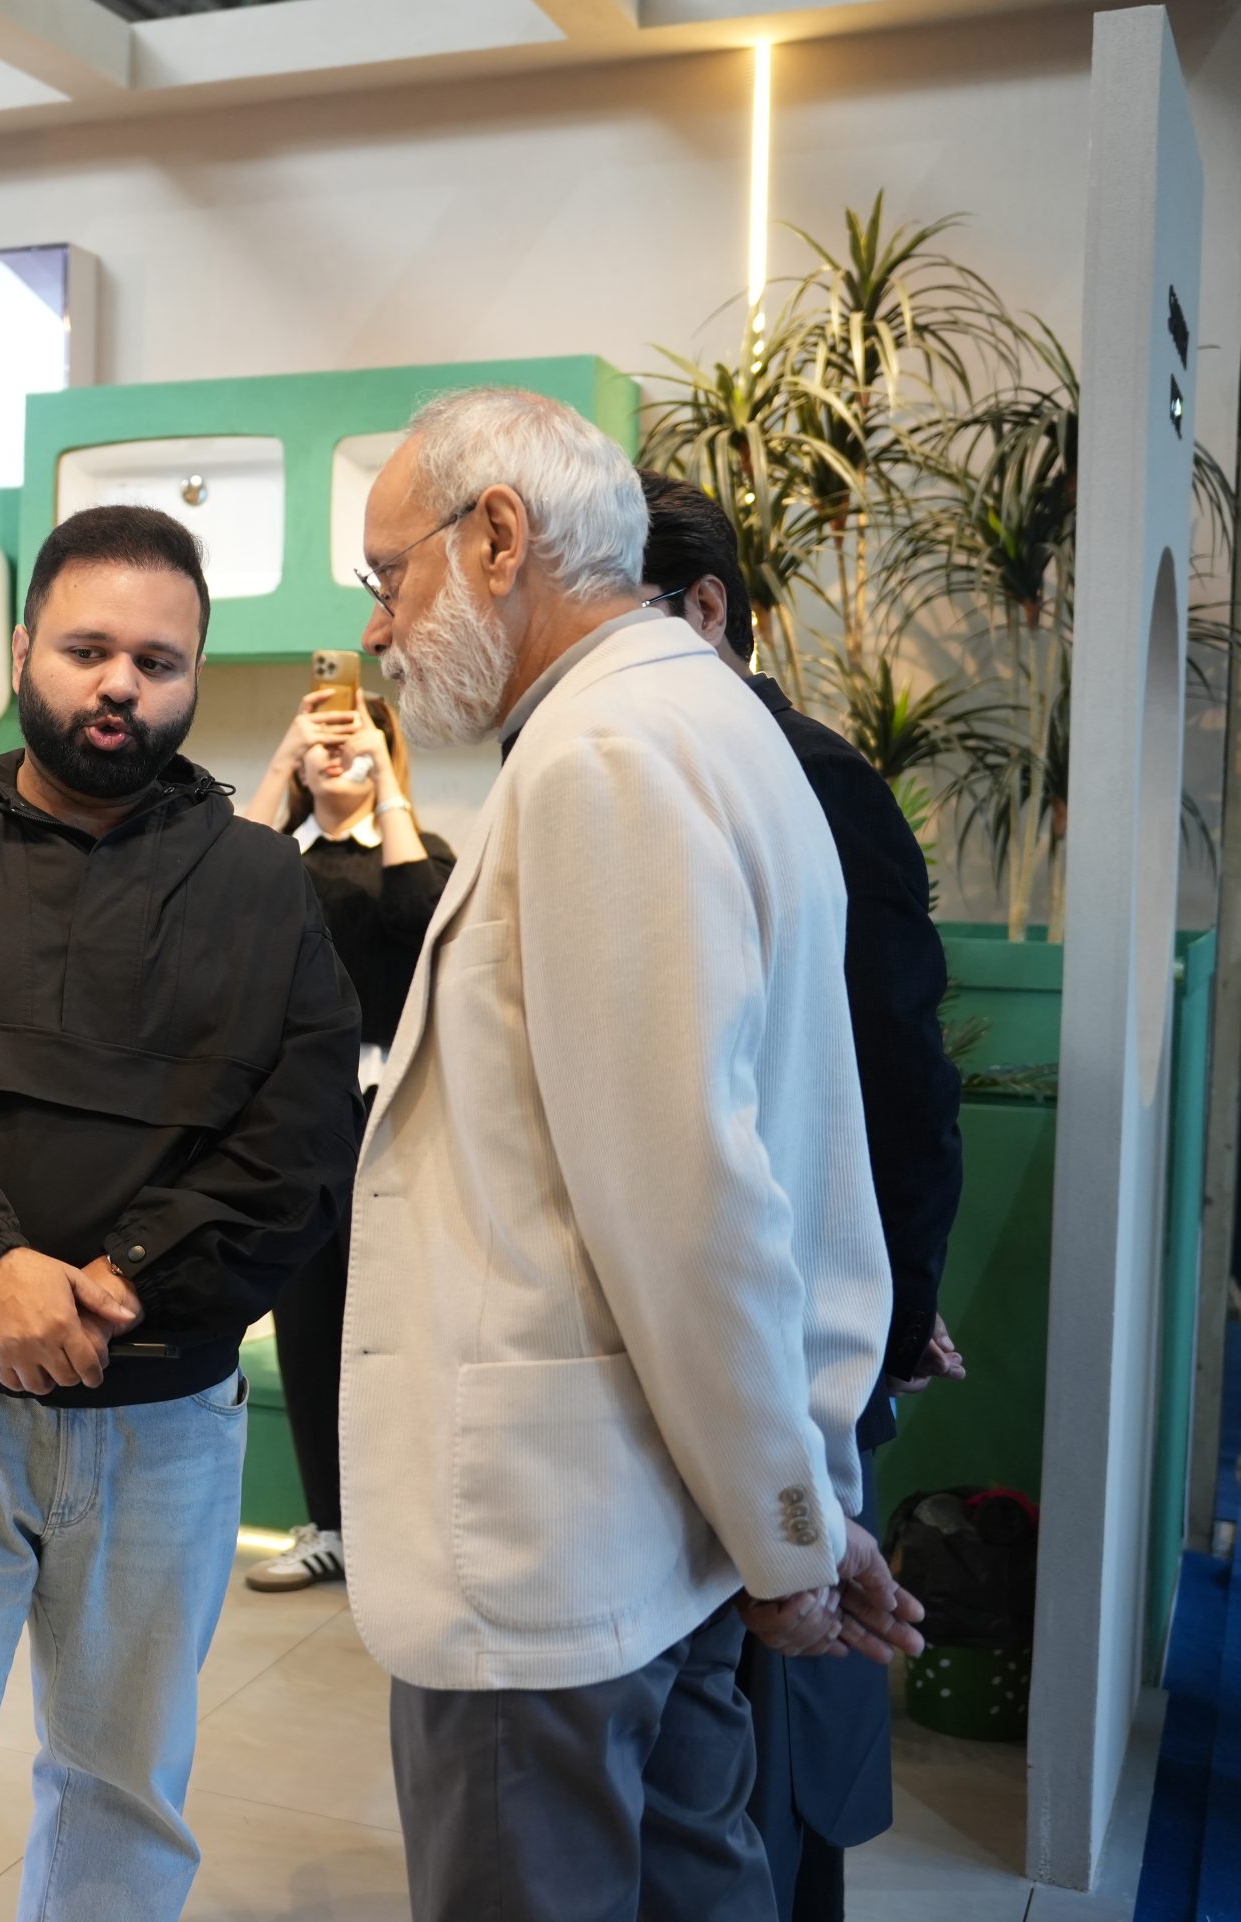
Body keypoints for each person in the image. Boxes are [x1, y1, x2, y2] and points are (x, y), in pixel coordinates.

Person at [336, 387, 926, 1922]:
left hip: (556, 1560)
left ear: (499, 536)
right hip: (655, 1532)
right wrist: (800, 1500)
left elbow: (687, 1206)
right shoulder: (704, 721)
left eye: (389, 576)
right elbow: (782, 1169)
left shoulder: (603, 754)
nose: (381, 629)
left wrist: (790, 1533)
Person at [0, 504, 363, 1920]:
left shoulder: (259, 883)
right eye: (89, 649)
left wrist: (122, 1282)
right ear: (23, 647)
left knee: (124, 1802)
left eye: (159, 661)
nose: (120, 685)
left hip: (162, 1422)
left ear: (195, 676)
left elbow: (299, 1141)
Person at [640, 470, 968, 1922]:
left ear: (707, 607)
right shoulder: (649, 767)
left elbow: (897, 1077)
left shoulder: (815, 780)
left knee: (787, 1753)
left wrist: (891, 1314)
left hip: (790, 1339)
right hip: (684, 1345)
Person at [236, 690, 452, 1591]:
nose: (335, 748)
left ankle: (408, 1526)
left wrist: (386, 778)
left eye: (354, 734)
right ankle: (329, 1523)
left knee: (402, 1321)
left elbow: (422, 919)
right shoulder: (278, 860)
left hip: (393, 1112)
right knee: (309, 1320)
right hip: (298, 1115)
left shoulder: (415, 852)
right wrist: (282, 759)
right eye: (320, 735)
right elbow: (218, 892)